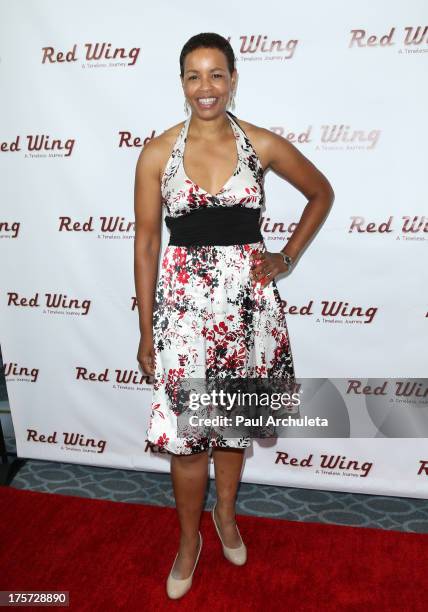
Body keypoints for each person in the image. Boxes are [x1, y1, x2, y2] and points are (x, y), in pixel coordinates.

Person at [134, 32, 334, 599]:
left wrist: (286, 257)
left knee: (232, 429)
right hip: (184, 319)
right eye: (194, 76)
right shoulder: (157, 153)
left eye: (216, 74)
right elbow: (147, 244)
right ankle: (188, 541)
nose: (206, 87)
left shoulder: (262, 145)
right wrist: (147, 330)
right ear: (181, 84)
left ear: (233, 79)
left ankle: (225, 518)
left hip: (246, 314)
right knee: (187, 438)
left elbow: (321, 193)